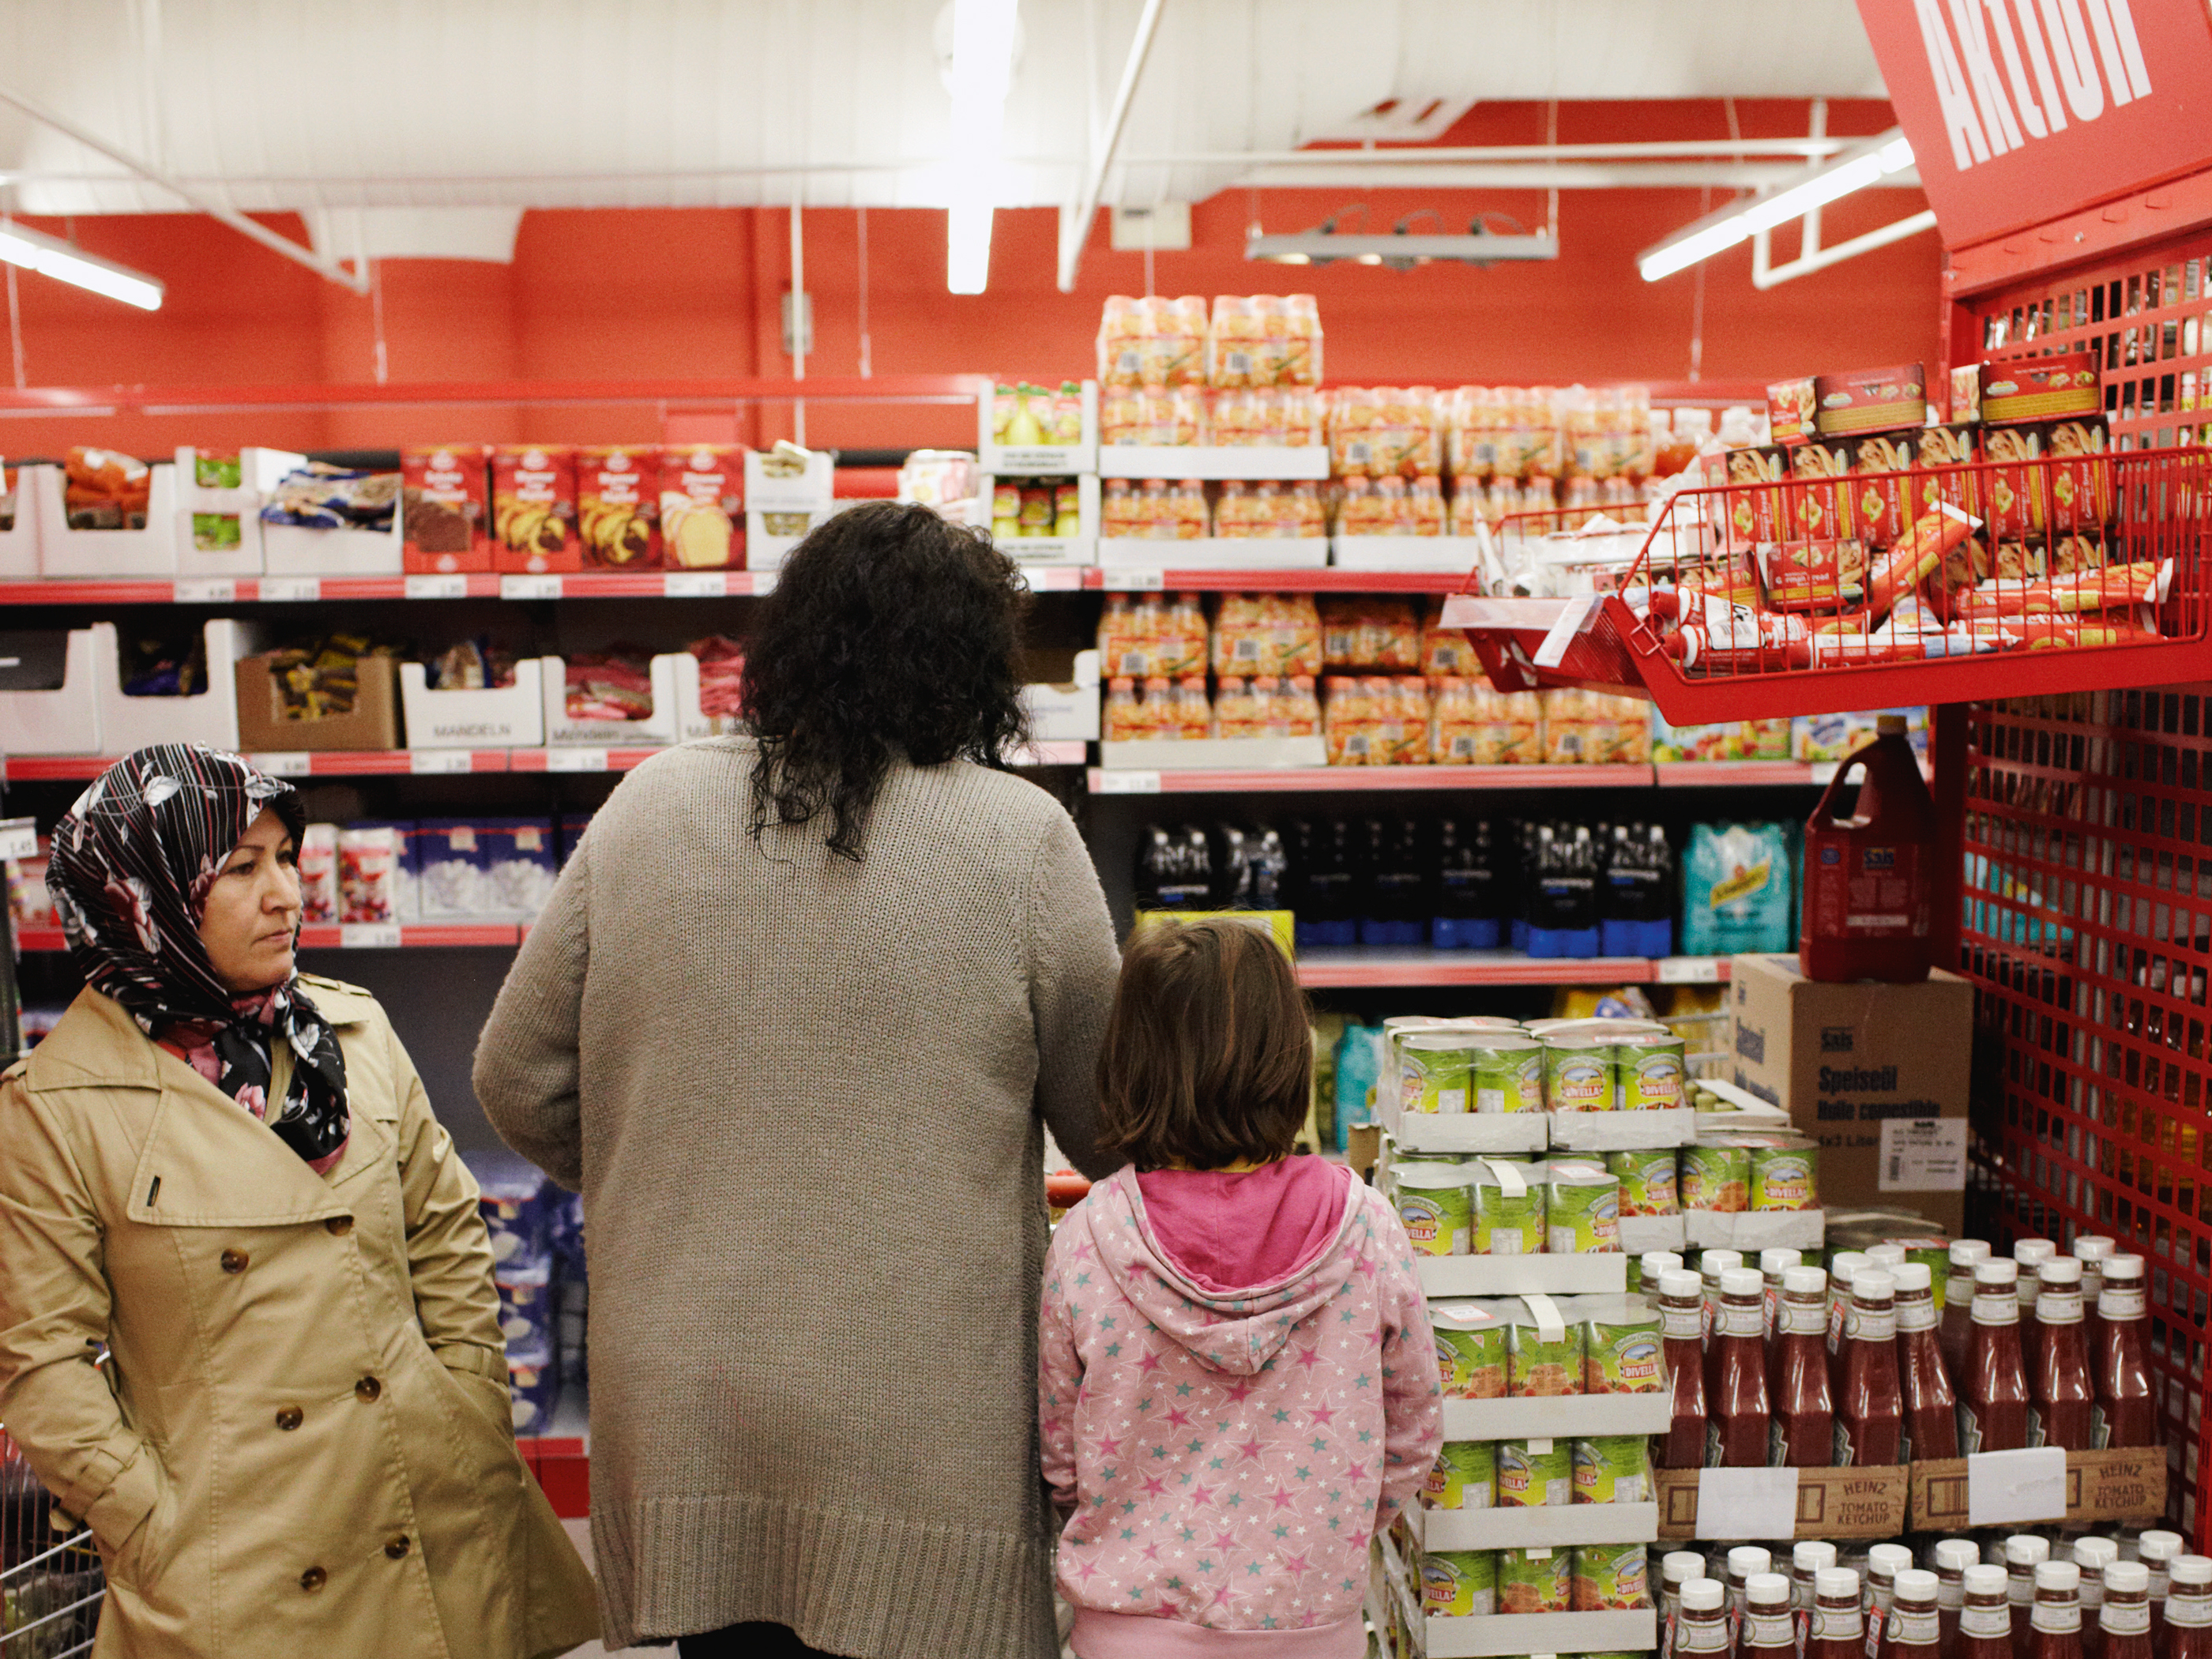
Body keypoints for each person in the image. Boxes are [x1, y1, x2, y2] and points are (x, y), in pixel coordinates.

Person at [473, 501, 1123, 1659]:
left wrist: (658, 1167)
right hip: (921, 1421)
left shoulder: (652, 804)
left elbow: (515, 1076)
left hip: (691, 1410)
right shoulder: (1021, 838)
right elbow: (1113, 1126)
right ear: (974, 664)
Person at [0, 743, 597, 1659]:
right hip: (243, 1561)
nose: (289, 893)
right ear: (142, 896)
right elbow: (42, 1365)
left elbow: (444, 1233)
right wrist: (150, 1527)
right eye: (242, 869)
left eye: (287, 857)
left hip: (423, 1500)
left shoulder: (350, 1031)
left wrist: (472, 1402)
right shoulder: (55, 1107)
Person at [1040, 918, 1443, 1659]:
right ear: (1291, 1056)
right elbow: (1413, 1432)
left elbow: (1062, 1459)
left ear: (1129, 1063)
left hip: (1128, 1635)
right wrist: (1328, 1534)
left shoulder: (1087, 1239)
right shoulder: (1369, 1227)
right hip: (1312, 1628)